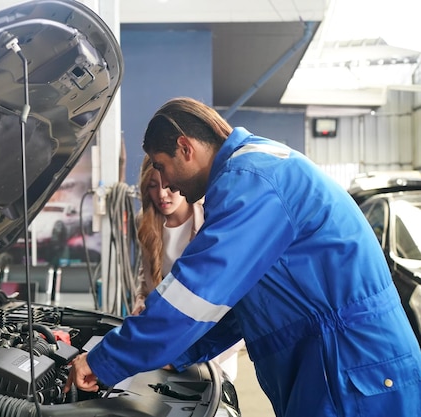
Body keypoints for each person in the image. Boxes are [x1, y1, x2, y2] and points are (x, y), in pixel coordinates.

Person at [65, 97, 421, 416]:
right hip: (338, 364)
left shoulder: (250, 181)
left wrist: (104, 360)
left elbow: (195, 294)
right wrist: (175, 353)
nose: (165, 183)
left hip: (352, 367)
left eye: (161, 165)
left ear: (185, 147)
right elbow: (239, 306)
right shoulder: (250, 170)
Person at [133, 154, 243, 380]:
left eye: (167, 186)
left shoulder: (210, 219)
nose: (162, 195)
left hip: (210, 338)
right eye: (153, 186)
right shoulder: (144, 223)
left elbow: (230, 291)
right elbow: (146, 280)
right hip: (167, 338)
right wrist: (141, 302)